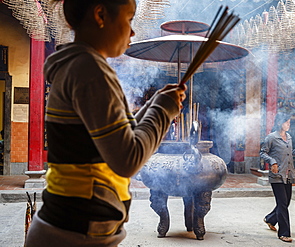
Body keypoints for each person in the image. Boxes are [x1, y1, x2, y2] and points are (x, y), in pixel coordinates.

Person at [25, 0, 186, 246]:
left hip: (70, 226)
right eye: (129, 19)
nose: (132, 31)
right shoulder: (89, 70)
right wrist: (163, 110)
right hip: (77, 232)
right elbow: (127, 159)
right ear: (100, 14)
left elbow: (124, 135)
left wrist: (155, 103)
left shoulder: (78, 65)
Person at [260, 112, 295, 243]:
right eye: (286, 122)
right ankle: (284, 233)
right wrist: (272, 162)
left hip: (288, 174)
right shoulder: (271, 138)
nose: (289, 124)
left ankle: (270, 219)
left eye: (289, 122)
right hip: (277, 175)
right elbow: (263, 153)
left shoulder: (289, 137)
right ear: (279, 123)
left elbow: (290, 154)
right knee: (282, 203)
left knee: (286, 202)